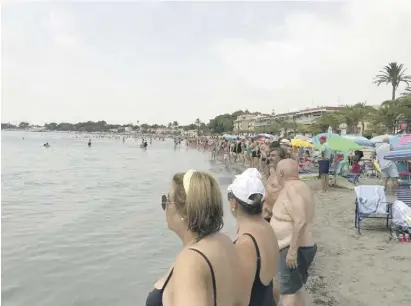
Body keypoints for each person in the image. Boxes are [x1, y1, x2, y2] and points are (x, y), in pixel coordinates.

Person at [146, 170, 243, 306]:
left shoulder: (190, 261)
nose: (165, 207)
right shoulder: (225, 242)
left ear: (185, 211)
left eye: (167, 200)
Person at [228, 172, 279, 306]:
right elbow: (274, 285)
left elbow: (240, 300)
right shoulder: (267, 228)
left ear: (233, 203)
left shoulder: (245, 243)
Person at [271, 159, 317, 306]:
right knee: (295, 288)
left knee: (288, 292)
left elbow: (300, 220)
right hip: (302, 246)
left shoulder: (291, 188)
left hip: (293, 248)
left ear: (281, 172)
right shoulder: (302, 187)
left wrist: (291, 251)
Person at [262, 144, 292, 223]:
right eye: (270, 155)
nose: (270, 158)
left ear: (281, 158)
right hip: (268, 213)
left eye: (273, 156)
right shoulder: (272, 170)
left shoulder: (285, 174)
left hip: (277, 216)